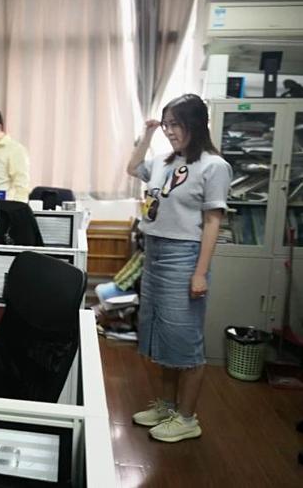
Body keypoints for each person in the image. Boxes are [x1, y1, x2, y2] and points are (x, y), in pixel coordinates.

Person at [126, 94, 232, 443]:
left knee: (185, 339)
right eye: (166, 124)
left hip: (184, 257)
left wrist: (200, 273)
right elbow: (132, 168)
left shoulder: (214, 166)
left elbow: (213, 222)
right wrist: (147, 134)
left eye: (176, 124)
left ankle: (187, 418)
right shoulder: (164, 160)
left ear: (196, 124)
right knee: (162, 335)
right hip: (154, 253)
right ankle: (167, 407)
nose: (170, 131)